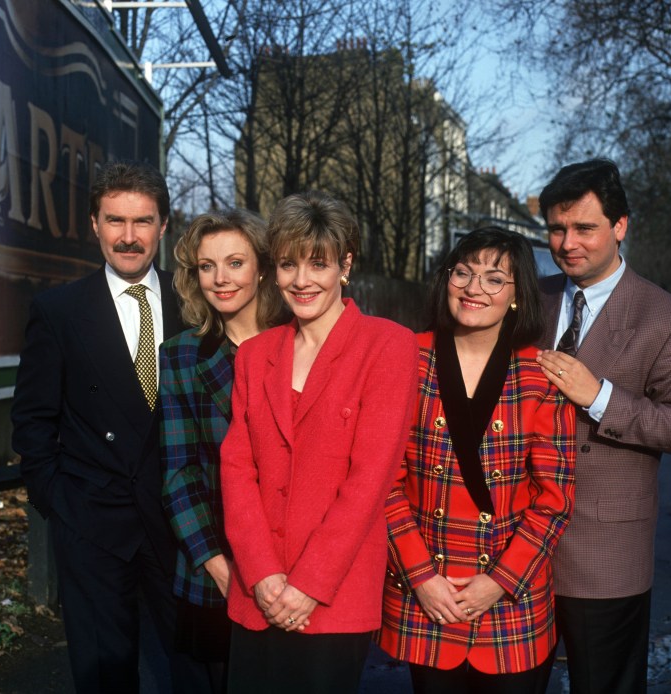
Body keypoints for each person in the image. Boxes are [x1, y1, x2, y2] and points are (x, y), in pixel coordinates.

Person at [219, 191, 419, 693]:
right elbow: (237, 469)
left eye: (318, 263)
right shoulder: (255, 354)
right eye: (288, 264)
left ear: (345, 264)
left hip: (333, 597)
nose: (301, 280)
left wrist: (307, 585)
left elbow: (370, 481)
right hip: (257, 593)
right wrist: (263, 575)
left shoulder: (387, 346)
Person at [11, 162, 197, 693]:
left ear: (164, 225)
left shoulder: (197, 304)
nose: (129, 237)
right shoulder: (59, 311)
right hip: (93, 526)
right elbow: (32, 422)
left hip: (184, 529)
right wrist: (63, 506)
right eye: (115, 220)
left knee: (201, 672)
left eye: (142, 221)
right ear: (93, 224)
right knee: (104, 677)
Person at [534, 159, 671, 694]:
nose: (568, 243)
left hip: (606, 552)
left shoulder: (670, 319)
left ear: (620, 226)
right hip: (514, 546)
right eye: (557, 229)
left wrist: (601, 397)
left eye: (584, 228)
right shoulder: (526, 298)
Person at [379, 227, 577, 693]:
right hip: (428, 594)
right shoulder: (406, 358)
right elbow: (383, 481)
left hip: (511, 601)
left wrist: (499, 582)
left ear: (516, 295)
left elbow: (555, 501)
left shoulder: (540, 376)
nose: (473, 288)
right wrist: (422, 577)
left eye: (493, 279)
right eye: (462, 273)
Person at [160, 209, 285, 692]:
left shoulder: (301, 342)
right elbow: (178, 472)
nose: (220, 278)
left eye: (235, 262)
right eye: (207, 266)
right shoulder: (180, 356)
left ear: (261, 266)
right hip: (218, 566)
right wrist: (217, 565)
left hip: (296, 565)